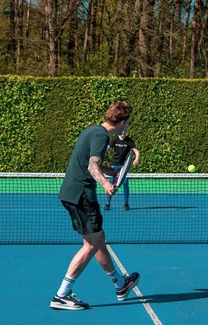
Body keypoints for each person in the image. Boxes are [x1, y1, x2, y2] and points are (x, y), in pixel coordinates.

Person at [50, 101, 141, 311]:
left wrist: (108, 171)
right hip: (81, 195)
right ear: (122, 122)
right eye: (128, 121)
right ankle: (61, 295)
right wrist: (107, 184)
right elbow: (92, 165)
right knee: (91, 245)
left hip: (73, 192)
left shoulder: (92, 130)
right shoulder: (102, 136)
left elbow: (89, 163)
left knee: (98, 240)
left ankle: (120, 284)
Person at [104, 130, 140, 211]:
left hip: (124, 166)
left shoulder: (129, 141)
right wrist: (101, 154)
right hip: (114, 165)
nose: (123, 134)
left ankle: (126, 204)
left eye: (125, 132)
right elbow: (107, 149)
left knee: (125, 183)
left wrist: (137, 158)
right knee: (111, 184)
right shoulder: (114, 140)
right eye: (122, 132)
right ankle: (107, 203)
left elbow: (136, 151)